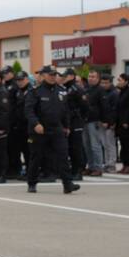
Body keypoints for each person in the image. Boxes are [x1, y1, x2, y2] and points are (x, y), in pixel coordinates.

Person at [24, 65, 78, 194]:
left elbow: (65, 111)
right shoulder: (35, 91)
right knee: (36, 157)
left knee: (63, 155)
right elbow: (28, 110)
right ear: (43, 76)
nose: (53, 77)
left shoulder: (61, 90)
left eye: (55, 75)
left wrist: (67, 126)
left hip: (57, 129)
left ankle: (67, 183)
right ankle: (32, 183)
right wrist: (36, 124)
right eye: (50, 75)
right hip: (39, 130)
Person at [61, 69, 87, 180]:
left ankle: (78, 171)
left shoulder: (77, 89)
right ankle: (73, 169)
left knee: (76, 147)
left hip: (76, 121)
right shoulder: (65, 89)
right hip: (68, 121)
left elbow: (85, 106)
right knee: (70, 147)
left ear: (71, 76)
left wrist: (81, 119)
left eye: (65, 76)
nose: (63, 78)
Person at [8, 71, 30, 178]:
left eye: (21, 80)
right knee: (20, 149)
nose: (19, 82)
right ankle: (23, 171)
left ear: (27, 79)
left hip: (28, 125)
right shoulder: (18, 91)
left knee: (28, 150)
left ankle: (30, 171)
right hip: (19, 125)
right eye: (18, 80)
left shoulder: (31, 91)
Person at [99, 74, 119, 172]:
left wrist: (110, 123)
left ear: (110, 83)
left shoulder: (114, 93)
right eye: (102, 83)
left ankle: (112, 164)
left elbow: (114, 110)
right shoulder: (103, 93)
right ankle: (107, 163)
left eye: (106, 83)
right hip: (102, 123)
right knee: (105, 144)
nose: (103, 85)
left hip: (109, 124)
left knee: (110, 144)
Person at [115, 73, 129, 173]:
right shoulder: (121, 92)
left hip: (125, 123)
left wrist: (127, 121)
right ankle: (125, 164)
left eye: (120, 80)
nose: (118, 82)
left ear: (126, 82)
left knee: (127, 145)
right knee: (123, 145)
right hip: (120, 122)